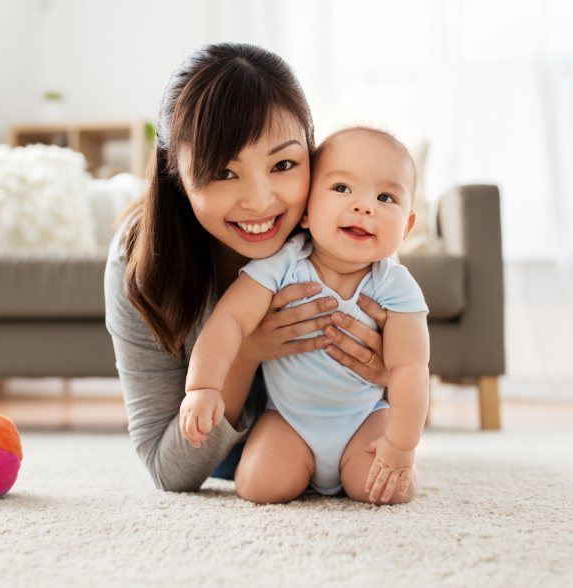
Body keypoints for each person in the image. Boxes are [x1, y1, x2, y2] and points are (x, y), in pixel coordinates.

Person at [104, 43, 391, 494]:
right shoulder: (141, 263)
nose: (260, 201)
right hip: (231, 461)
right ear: (175, 172)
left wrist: (387, 369)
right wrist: (242, 353)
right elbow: (169, 470)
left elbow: (399, 398)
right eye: (222, 172)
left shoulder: (347, 229)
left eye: (283, 164)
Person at [180, 127, 430, 505]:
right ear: (307, 211)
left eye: (385, 197)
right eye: (342, 189)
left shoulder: (394, 285)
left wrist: (400, 446)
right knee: (258, 487)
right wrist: (203, 387)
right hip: (289, 420)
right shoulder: (283, 264)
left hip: (363, 418)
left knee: (385, 489)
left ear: (407, 227)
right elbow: (229, 321)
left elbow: (412, 368)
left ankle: (374, 462)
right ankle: (302, 467)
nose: (365, 207)